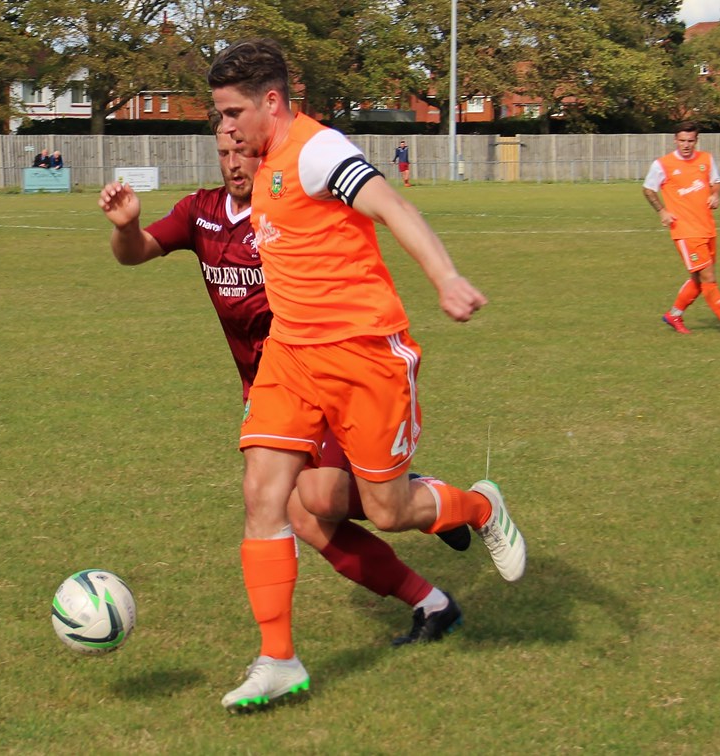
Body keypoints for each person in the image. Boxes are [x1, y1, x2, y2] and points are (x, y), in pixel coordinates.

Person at [208, 38, 526, 712]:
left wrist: (445, 277)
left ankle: (479, 505)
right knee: (264, 494)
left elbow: (390, 205)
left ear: (272, 102)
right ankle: (278, 660)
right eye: (219, 114)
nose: (226, 128)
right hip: (291, 358)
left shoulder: (320, 151)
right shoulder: (263, 164)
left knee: (387, 509)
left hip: (364, 359)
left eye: (234, 112)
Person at [100, 112, 472, 648]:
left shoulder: (292, 210)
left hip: (324, 375)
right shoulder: (200, 214)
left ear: (263, 147)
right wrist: (126, 227)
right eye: (224, 153)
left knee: (317, 502)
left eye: (241, 151)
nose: (233, 163)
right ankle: (429, 596)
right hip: (273, 388)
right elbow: (134, 254)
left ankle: (438, 505)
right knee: (306, 516)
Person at [643, 121, 720, 336]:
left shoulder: (706, 159)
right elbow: (648, 189)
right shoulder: (663, 164)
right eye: (682, 140)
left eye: (690, 141)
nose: (686, 145)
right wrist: (662, 211)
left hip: (707, 227)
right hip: (685, 231)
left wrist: (715, 194)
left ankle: (674, 315)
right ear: (675, 140)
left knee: (700, 281)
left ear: (696, 141)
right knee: (708, 277)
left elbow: (716, 182)